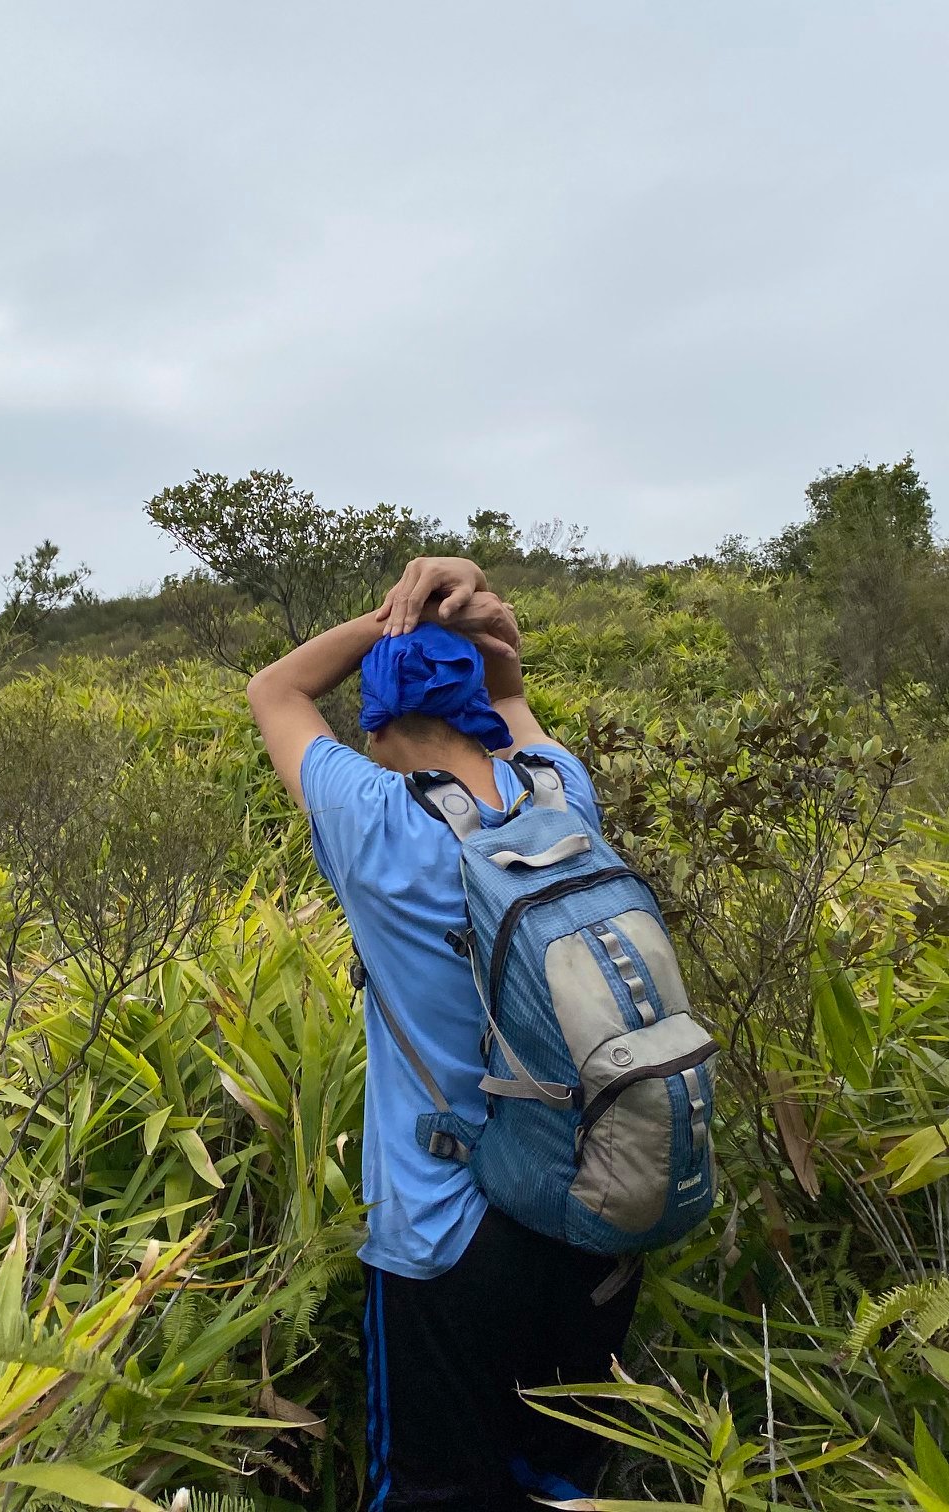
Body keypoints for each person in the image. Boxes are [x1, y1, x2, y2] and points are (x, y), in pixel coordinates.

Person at [246, 555, 639, 1509]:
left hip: (449, 1235)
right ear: (473, 707)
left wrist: (391, 614)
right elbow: (515, 699)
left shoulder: (376, 820)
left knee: (434, 1492)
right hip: (598, 1206)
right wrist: (483, 641)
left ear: (377, 727)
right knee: (560, 1476)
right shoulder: (562, 789)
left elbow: (275, 691)